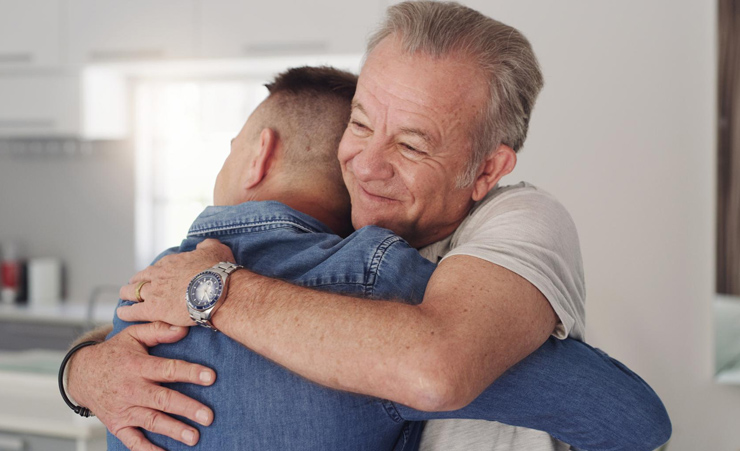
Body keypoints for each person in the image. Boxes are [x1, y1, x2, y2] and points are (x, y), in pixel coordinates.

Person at [67, 2, 673, 450]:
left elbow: (433, 366)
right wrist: (85, 370)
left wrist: (215, 293)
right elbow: (628, 416)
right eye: (358, 125)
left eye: (410, 145)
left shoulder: (518, 220)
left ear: (487, 168)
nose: (365, 163)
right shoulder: (312, 264)